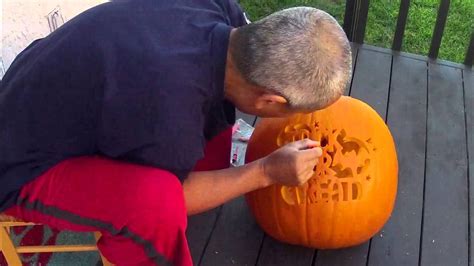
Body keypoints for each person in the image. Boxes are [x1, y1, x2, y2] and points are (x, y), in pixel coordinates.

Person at [0, 0, 352, 265]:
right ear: (271, 101)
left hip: (46, 87)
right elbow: (177, 195)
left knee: (217, 112)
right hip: (22, 161)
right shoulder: (166, 112)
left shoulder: (216, 10)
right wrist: (265, 171)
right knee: (156, 206)